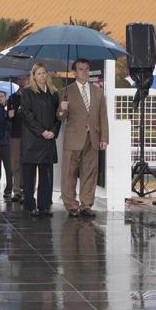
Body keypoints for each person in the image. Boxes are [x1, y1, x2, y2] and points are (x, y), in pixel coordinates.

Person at [57, 58, 110, 217]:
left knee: (90, 173)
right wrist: (61, 108)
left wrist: (104, 138)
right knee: (69, 173)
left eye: (87, 69)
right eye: (81, 69)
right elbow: (60, 117)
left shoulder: (98, 92)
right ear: (74, 72)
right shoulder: (65, 92)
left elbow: (103, 116)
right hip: (73, 139)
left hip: (92, 138)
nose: (85, 72)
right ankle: (71, 205)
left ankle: (86, 205)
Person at [17, 62, 61, 216]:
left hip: (48, 140)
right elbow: (27, 116)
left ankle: (44, 206)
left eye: (44, 73)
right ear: (33, 76)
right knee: (29, 177)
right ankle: (30, 206)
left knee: (46, 177)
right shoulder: (27, 92)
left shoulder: (53, 93)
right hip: (32, 140)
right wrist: (42, 131)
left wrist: (53, 131)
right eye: (39, 73)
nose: (42, 76)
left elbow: (58, 116)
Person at [5, 74, 29, 201]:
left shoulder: (32, 96)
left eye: (24, 78)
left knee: (28, 163)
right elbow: (8, 118)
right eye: (19, 79)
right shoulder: (12, 98)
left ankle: (28, 190)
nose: (22, 80)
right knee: (15, 163)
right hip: (15, 134)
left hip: (29, 135)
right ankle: (17, 190)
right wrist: (9, 115)